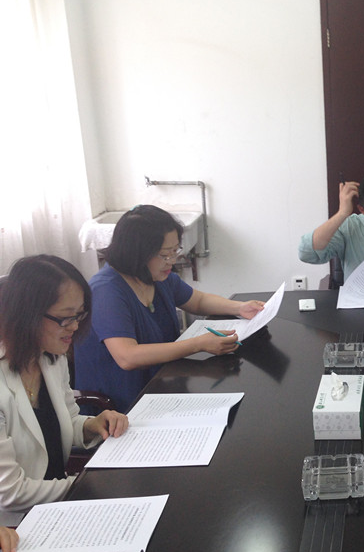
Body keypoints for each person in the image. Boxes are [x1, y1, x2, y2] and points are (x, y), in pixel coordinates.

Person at [73, 205, 265, 413]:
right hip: (120, 408)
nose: (172, 261)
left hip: (161, 388)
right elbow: (127, 356)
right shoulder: (105, 291)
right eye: (165, 255)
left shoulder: (157, 277)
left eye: (175, 251)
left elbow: (198, 301)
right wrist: (199, 344)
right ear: (137, 253)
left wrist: (240, 307)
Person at [0, 255, 129, 513]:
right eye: (65, 318)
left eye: (79, 315)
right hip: (16, 523)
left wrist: (93, 425)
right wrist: (88, 486)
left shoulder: (50, 356)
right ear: (26, 315)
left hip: (57, 503)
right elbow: (9, 492)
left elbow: (65, 420)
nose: (75, 326)